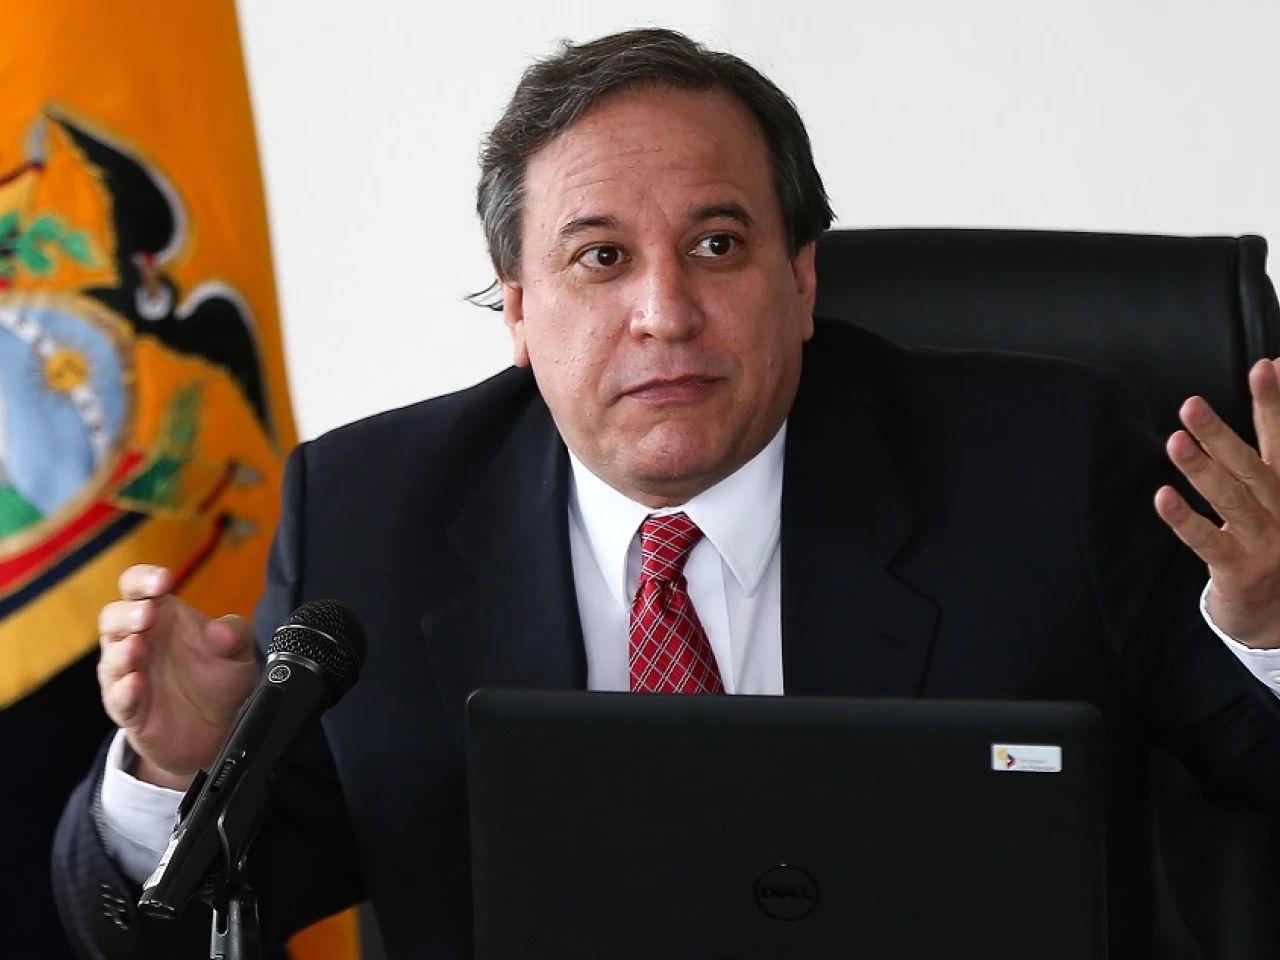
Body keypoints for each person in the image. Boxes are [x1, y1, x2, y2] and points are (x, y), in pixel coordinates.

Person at [52, 27, 1280, 960]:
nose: (664, 313)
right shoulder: (371, 516)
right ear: (518, 311)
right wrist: (175, 777)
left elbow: (1253, 765)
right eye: (599, 257)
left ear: (802, 280)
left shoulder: (1042, 467)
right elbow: (173, 925)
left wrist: (1270, 629)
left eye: (717, 245)